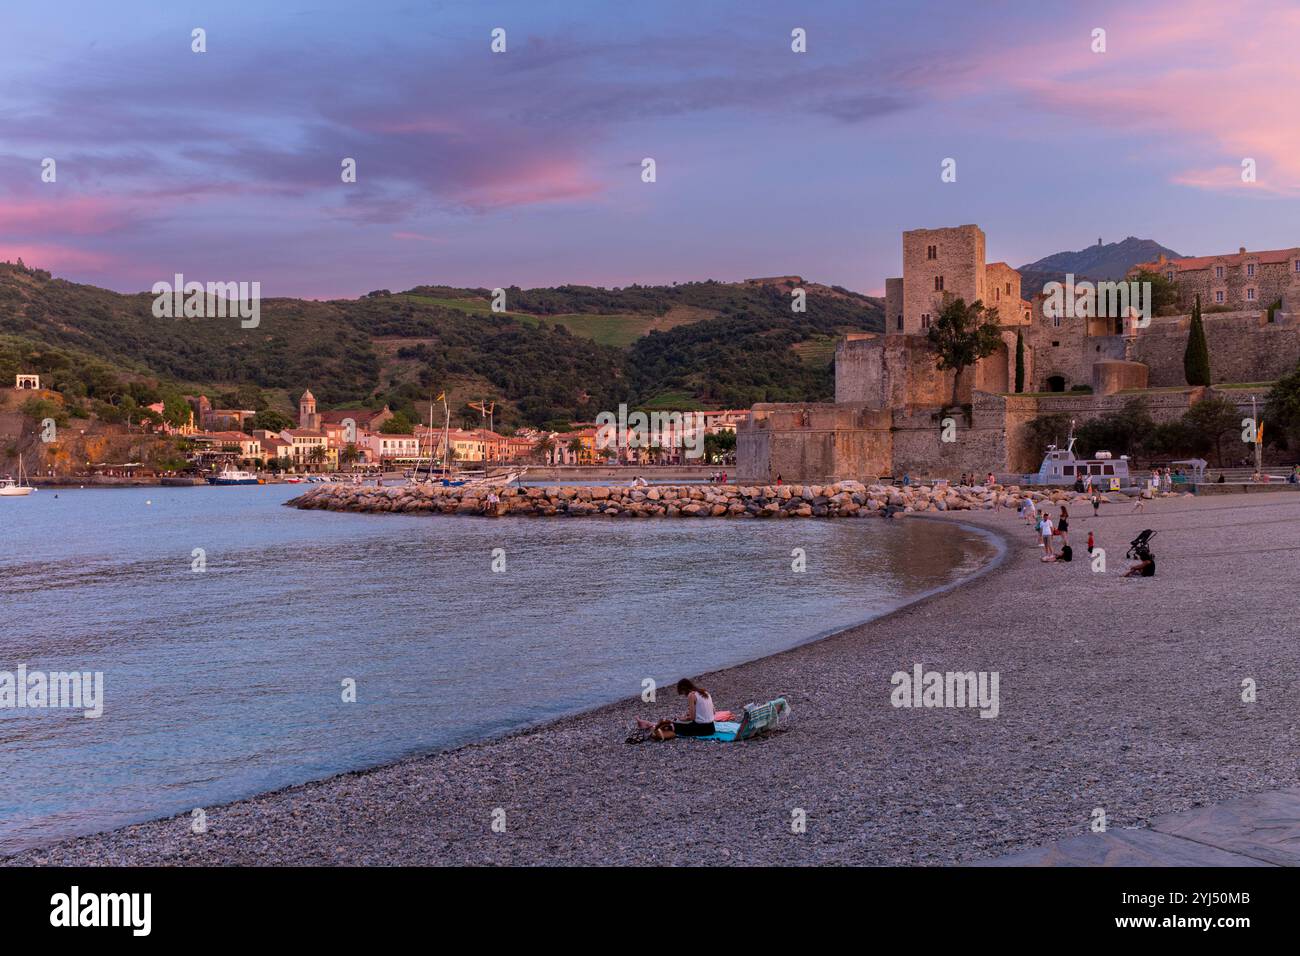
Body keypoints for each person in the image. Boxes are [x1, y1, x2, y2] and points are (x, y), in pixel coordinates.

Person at [636, 678, 717, 739]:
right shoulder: (705, 692)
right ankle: (648, 724)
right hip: (711, 727)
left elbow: (692, 718)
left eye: (683, 693)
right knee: (674, 724)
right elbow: (713, 711)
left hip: (702, 729)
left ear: (684, 689)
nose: (684, 695)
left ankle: (648, 724)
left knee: (671, 725)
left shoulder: (691, 695)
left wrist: (683, 719)